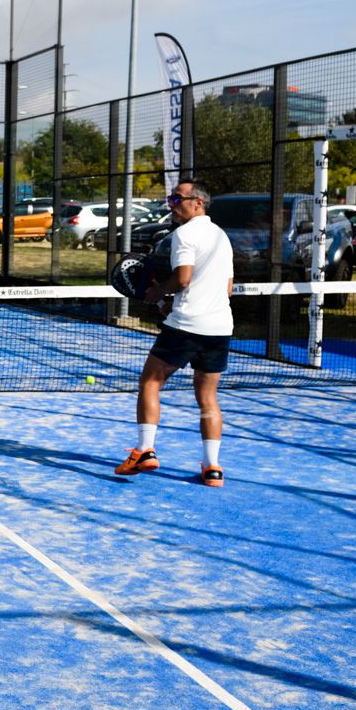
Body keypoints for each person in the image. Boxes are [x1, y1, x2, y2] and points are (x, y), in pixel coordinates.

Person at [114, 179, 234, 488]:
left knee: (150, 382)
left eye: (177, 199)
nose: (172, 204)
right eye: (170, 198)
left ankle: (144, 450)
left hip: (187, 327)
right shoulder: (222, 236)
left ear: (198, 203)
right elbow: (227, 288)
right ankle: (212, 469)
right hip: (220, 327)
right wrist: (173, 305)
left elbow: (182, 279)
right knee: (208, 398)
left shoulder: (184, 235)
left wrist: (158, 293)